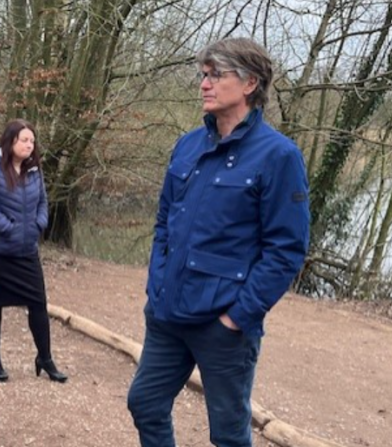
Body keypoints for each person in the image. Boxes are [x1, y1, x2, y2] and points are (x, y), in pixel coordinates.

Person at [127, 38, 310, 447]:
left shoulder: (278, 156)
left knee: (228, 435)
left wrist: (237, 317)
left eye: (215, 75)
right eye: (203, 75)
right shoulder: (188, 145)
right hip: (168, 314)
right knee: (145, 403)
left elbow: (286, 251)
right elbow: (164, 223)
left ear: (249, 83)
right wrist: (157, 288)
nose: (204, 84)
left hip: (224, 325)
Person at [0, 119, 67, 383]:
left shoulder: (34, 170)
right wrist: (6, 226)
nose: (29, 145)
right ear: (10, 141)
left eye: (32, 141)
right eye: (24, 140)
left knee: (38, 304)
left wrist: (40, 223)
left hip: (26, 251)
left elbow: (43, 201)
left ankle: (45, 358)